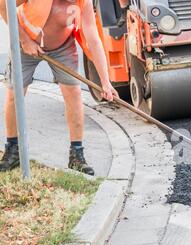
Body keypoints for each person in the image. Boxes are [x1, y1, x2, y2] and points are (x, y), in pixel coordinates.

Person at [0, 0, 118, 175]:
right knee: (14, 94)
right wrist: (24, 41)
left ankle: (76, 155)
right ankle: (13, 150)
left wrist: (105, 82)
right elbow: (4, 5)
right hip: (25, 42)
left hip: (62, 47)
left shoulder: (83, 2)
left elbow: (93, 38)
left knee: (74, 93)